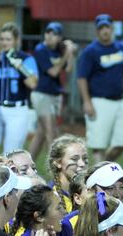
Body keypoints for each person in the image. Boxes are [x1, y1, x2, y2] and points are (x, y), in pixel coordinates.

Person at [77, 14, 123, 163]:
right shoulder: (90, 51)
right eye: (101, 28)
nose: (104, 30)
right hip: (99, 101)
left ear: (112, 28)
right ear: (97, 30)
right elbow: (82, 78)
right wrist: (86, 101)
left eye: (107, 27)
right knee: (99, 145)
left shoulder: (120, 48)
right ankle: (101, 177)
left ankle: (103, 167)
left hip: (119, 101)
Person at [0, 22, 38, 161]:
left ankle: (11, 181)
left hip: (17, 110)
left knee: (11, 153)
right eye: (2, 39)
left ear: (16, 40)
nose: (4, 43)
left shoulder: (26, 58)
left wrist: (20, 67)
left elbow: (32, 84)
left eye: (8, 39)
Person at [27, 22, 76, 158]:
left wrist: (70, 52)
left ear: (59, 37)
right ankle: (54, 172)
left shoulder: (59, 50)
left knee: (40, 134)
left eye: (53, 34)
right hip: (41, 93)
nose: (49, 36)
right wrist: (67, 53)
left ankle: (25, 168)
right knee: (51, 132)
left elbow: (69, 69)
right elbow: (53, 72)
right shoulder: (40, 49)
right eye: (47, 32)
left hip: (54, 94)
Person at [46, 134, 88, 213]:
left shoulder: (92, 190)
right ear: (58, 162)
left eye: (85, 158)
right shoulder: (49, 197)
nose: (82, 164)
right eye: (74, 159)